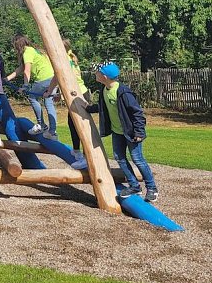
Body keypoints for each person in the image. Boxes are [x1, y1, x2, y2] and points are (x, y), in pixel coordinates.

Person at [89, 63, 158, 202]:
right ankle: (134, 186)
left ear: (104, 76)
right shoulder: (104, 89)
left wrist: (139, 132)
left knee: (137, 159)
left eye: (97, 72)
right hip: (117, 131)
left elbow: (137, 113)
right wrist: (89, 108)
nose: (95, 74)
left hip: (131, 132)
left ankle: (152, 188)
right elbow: (104, 106)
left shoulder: (123, 92)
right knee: (119, 157)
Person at [47, 39, 92, 169]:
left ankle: (85, 157)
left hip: (77, 94)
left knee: (80, 127)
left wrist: (50, 91)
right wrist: (59, 93)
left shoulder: (63, 59)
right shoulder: (70, 56)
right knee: (73, 124)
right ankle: (77, 151)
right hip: (80, 93)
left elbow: (57, 77)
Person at [6, 34, 57, 139]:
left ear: (17, 45)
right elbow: (21, 68)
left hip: (44, 79)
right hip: (53, 78)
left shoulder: (27, 51)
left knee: (32, 97)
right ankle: (52, 131)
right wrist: (7, 79)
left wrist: (25, 86)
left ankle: (41, 125)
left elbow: (26, 70)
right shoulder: (34, 50)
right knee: (48, 102)